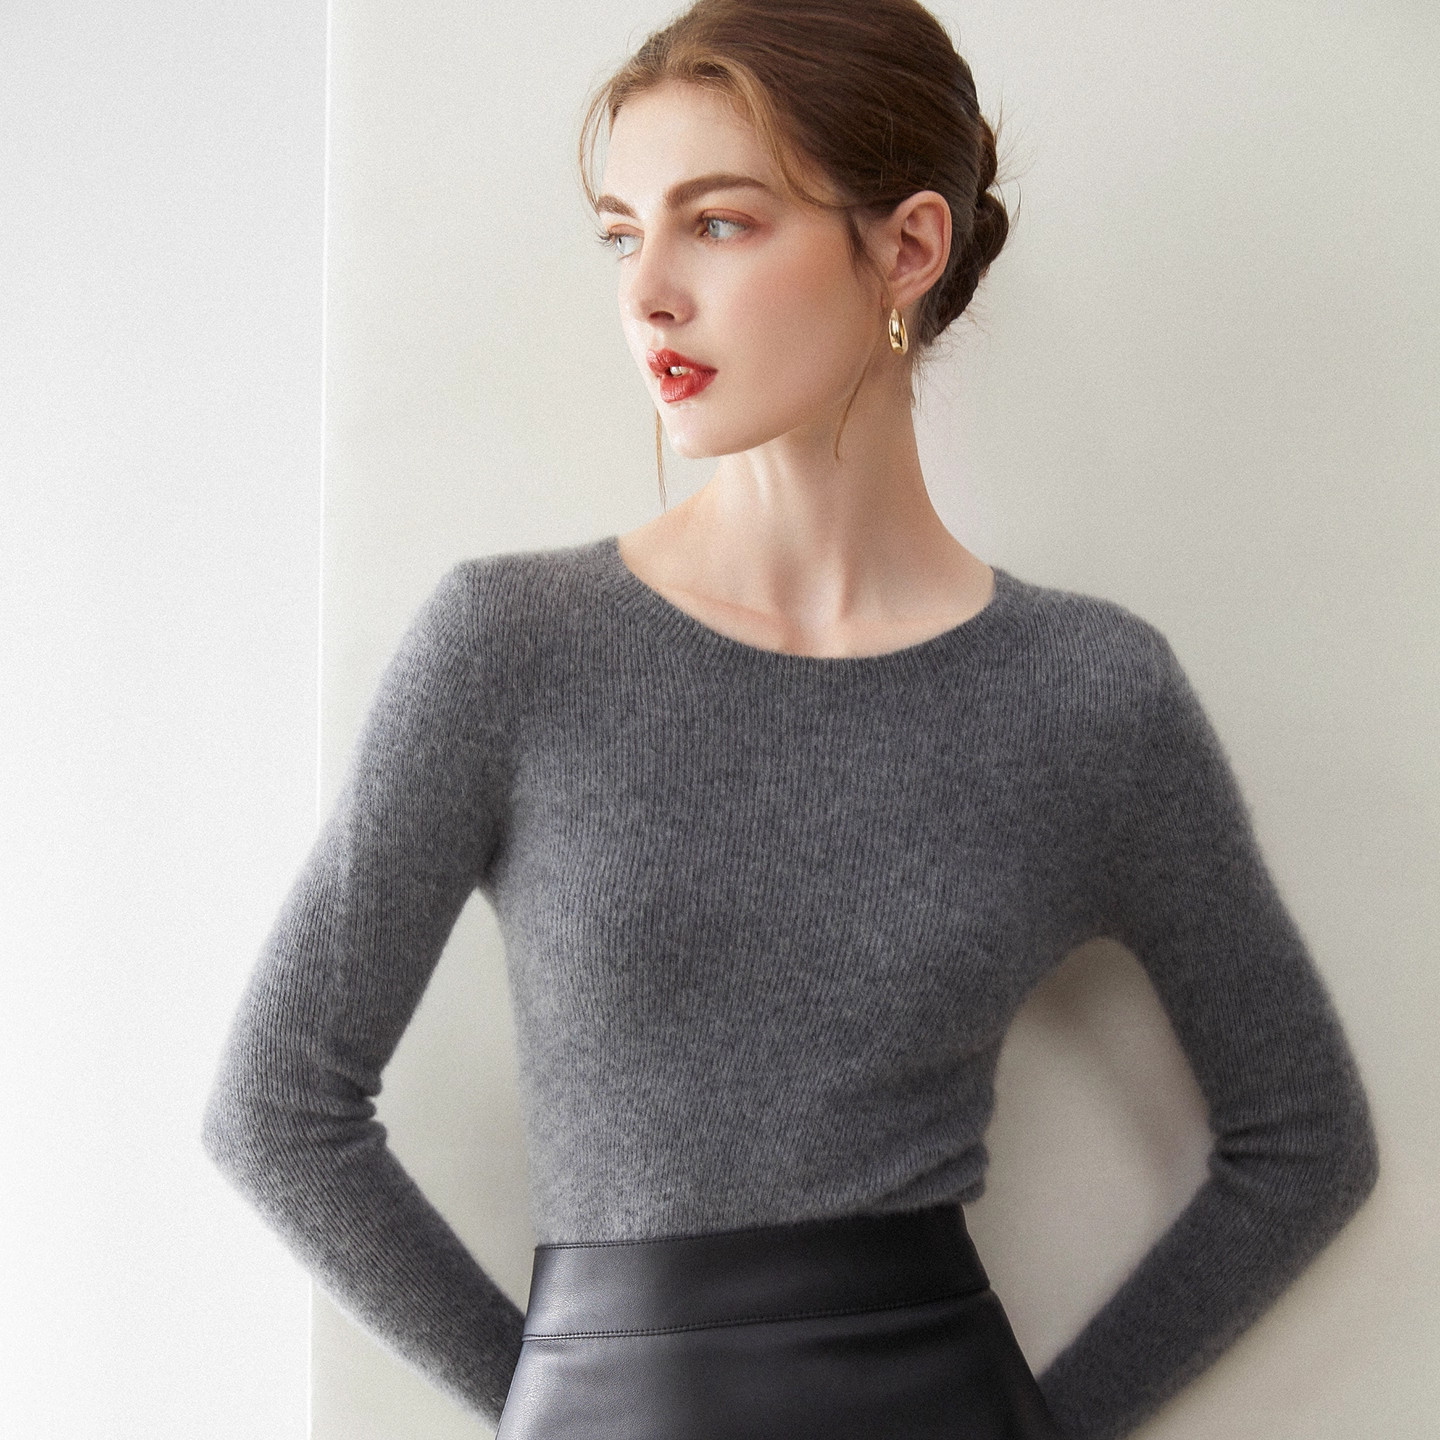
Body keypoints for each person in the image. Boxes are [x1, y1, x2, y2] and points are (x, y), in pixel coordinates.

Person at [202, 2, 1380, 1436]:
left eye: (720, 223)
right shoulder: (511, 648)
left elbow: (1304, 1144)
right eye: (622, 233)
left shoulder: (1088, 694)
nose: (648, 294)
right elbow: (277, 1110)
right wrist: (559, 1402)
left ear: (909, 248)